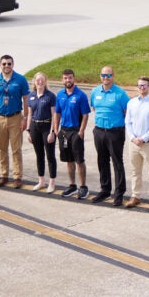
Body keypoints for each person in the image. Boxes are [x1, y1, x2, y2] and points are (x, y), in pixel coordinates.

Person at [0, 55, 30, 188]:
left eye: (9, 64)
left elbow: (26, 100)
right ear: (0, 65)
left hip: (15, 118)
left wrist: (25, 118)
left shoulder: (20, 79)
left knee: (16, 149)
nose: (6, 66)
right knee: (2, 148)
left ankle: (17, 176)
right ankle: (3, 175)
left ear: (13, 64)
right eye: (4, 64)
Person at [90, 66, 131, 206]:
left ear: (113, 76)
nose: (105, 78)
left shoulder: (120, 94)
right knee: (102, 161)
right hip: (99, 131)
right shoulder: (95, 92)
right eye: (103, 75)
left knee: (117, 162)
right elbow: (94, 108)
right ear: (100, 76)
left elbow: (127, 112)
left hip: (115, 132)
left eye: (108, 75)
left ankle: (119, 193)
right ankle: (105, 190)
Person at [125, 76, 149, 211]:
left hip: (148, 143)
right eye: (140, 85)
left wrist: (144, 138)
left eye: (144, 85)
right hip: (134, 143)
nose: (142, 88)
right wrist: (133, 138)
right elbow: (128, 122)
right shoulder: (131, 103)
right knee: (135, 171)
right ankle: (135, 196)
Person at [54, 69, 91, 200]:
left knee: (79, 160)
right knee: (68, 160)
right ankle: (72, 185)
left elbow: (85, 115)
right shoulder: (60, 94)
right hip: (64, 132)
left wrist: (81, 132)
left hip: (76, 131)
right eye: (65, 78)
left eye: (70, 78)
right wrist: (56, 129)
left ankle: (83, 187)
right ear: (62, 80)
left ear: (74, 78)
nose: (68, 80)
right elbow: (57, 113)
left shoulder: (80, 95)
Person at [27, 72, 58, 192]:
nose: (40, 82)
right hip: (35, 126)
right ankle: (41, 181)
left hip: (47, 126)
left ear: (45, 81)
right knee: (39, 155)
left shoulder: (50, 96)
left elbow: (54, 115)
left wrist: (52, 131)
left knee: (50, 155)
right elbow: (29, 114)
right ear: (34, 82)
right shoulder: (31, 96)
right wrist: (28, 131)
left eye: (42, 80)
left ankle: (52, 182)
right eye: (37, 80)